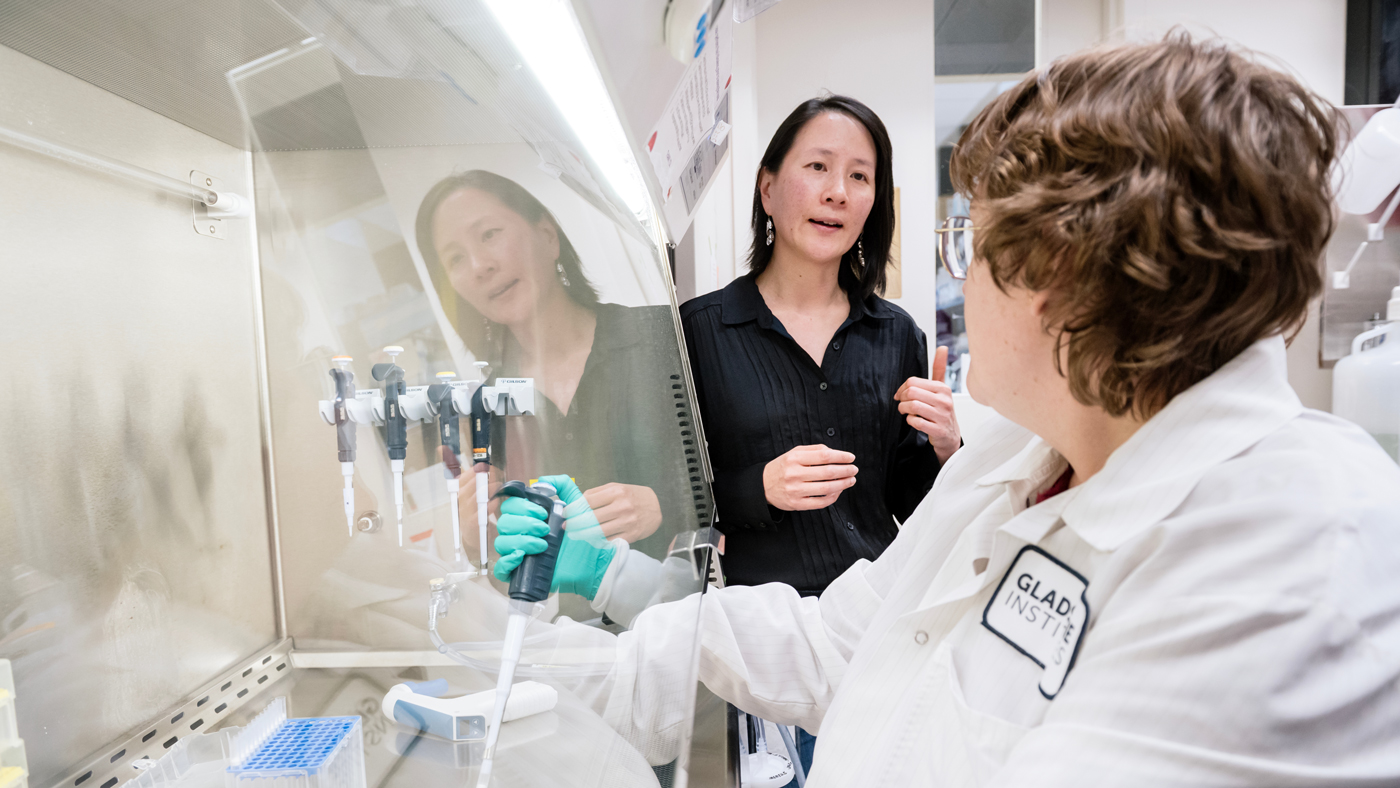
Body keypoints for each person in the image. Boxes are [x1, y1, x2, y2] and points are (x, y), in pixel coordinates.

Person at [494, 34, 1400, 785]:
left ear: (1067, 272)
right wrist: (606, 609)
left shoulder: (1294, 544)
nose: (958, 279)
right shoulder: (1021, 455)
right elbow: (837, 638)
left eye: (973, 239)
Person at [681, 95, 960, 597]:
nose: (837, 192)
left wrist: (947, 449)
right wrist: (756, 489)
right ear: (767, 188)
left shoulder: (896, 335)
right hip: (754, 628)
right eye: (817, 166)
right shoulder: (700, 331)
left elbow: (911, 503)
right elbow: (670, 499)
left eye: (859, 176)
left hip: (875, 614)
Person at [414, 170, 698, 566]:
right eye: (456, 259)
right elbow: (515, 577)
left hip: (703, 605)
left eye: (489, 234)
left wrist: (668, 504)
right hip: (583, 627)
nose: (479, 265)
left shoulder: (668, 335)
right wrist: (479, 541)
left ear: (547, 236)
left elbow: (757, 477)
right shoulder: (489, 408)